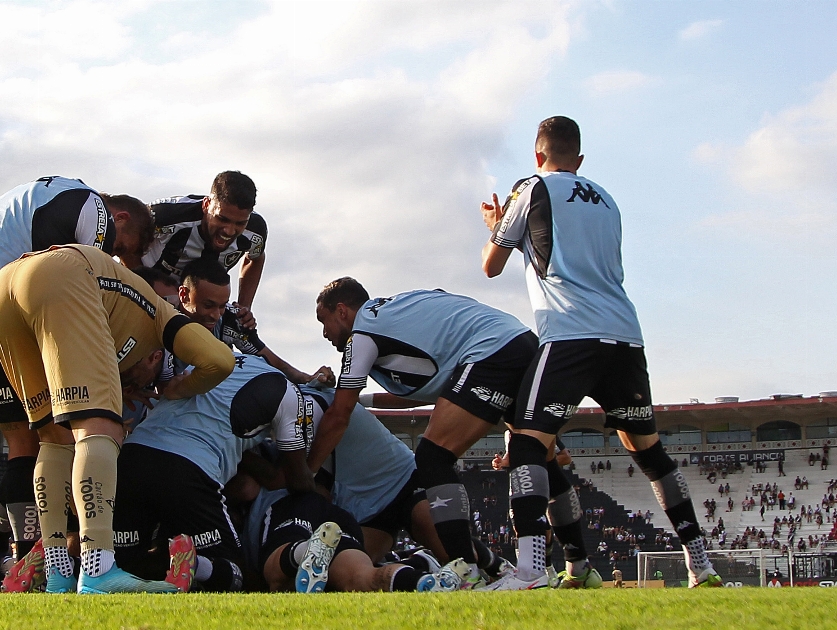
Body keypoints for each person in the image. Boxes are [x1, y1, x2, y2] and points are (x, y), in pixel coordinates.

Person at [480, 115, 720, 588]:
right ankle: (701, 565)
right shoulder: (608, 200)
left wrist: (494, 224)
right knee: (650, 453)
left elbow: (491, 265)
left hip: (571, 334)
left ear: (537, 155)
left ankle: (529, 570)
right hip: (625, 336)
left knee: (527, 444)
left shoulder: (529, 188)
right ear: (581, 160)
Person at [0, 244, 234, 593]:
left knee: (54, 440)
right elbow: (220, 360)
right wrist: (174, 390)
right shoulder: (162, 316)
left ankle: (57, 572)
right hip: (62, 276)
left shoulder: (119, 315)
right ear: (157, 356)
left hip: (6, 285)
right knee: (101, 428)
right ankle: (97, 568)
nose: (134, 386)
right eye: (142, 382)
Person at [311, 278, 538, 588]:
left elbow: (339, 415)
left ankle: (467, 572)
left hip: (490, 351)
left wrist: (306, 470)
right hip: (515, 339)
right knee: (535, 452)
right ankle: (567, 567)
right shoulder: (392, 313)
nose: (324, 333)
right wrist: (360, 400)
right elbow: (423, 391)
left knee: (433, 456)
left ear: (341, 311)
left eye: (324, 321)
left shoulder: (361, 335)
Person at [0, 176, 154, 589]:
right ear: (118, 217)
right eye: (121, 248)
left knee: (26, 438)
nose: (115, 258)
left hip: (7, 307)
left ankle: (34, 563)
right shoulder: (94, 211)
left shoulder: (49, 192)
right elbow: (91, 296)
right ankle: (90, 563)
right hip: (19, 305)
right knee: (74, 432)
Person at [163, 259, 333, 386]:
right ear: (184, 295)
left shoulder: (232, 319)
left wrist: (310, 378)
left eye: (222, 306)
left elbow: (270, 360)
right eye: (208, 305)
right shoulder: (161, 317)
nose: (215, 315)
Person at [142, 171, 267, 308]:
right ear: (206, 204)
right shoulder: (166, 215)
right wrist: (139, 282)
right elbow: (125, 235)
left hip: (200, 307)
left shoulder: (255, 232)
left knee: (240, 326)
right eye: (222, 219)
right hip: (146, 292)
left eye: (240, 223)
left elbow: (255, 258)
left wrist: (244, 306)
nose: (229, 231)